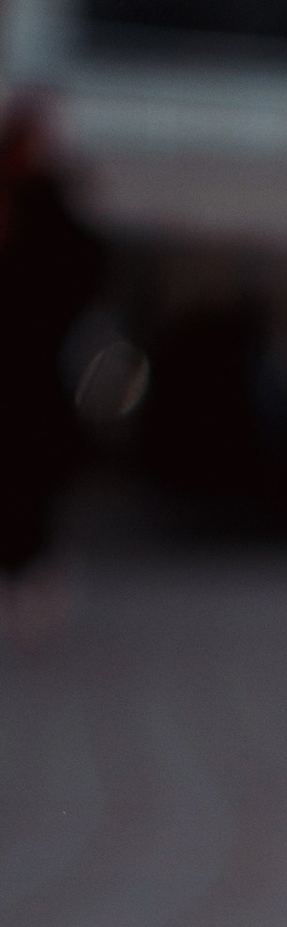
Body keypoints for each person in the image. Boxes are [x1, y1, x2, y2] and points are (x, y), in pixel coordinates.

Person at [0, 96, 108, 638]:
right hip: (22, 365)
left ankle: (26, 569)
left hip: (29, 367)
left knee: (28, 473)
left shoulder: (45, 204)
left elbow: (81, 267)